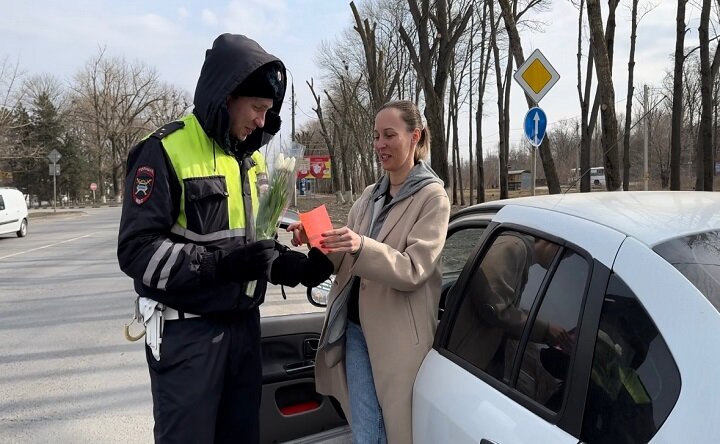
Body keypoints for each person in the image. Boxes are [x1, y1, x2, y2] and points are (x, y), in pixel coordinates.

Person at [117, 33, 332, 444]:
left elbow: (254, 244)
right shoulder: (164, 150)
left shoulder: (248, 162)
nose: (262, 121)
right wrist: (218, 265)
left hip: (244, 331)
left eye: (269, 112)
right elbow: (137, 249)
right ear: (226, 96)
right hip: (188, 337)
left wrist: (296, 269)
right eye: (257, 108)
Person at [288, 100, 450, 444]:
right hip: (355, 330)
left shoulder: (432, 197)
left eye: (389, 135)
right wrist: (316, 239)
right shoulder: (369, 195)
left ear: (414, 136)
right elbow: (346, 254)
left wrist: (362, 245)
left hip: (396, 339)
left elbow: (413, 268)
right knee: (366, 429)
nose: (380, 145)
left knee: (394, 430)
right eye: (376, 136)